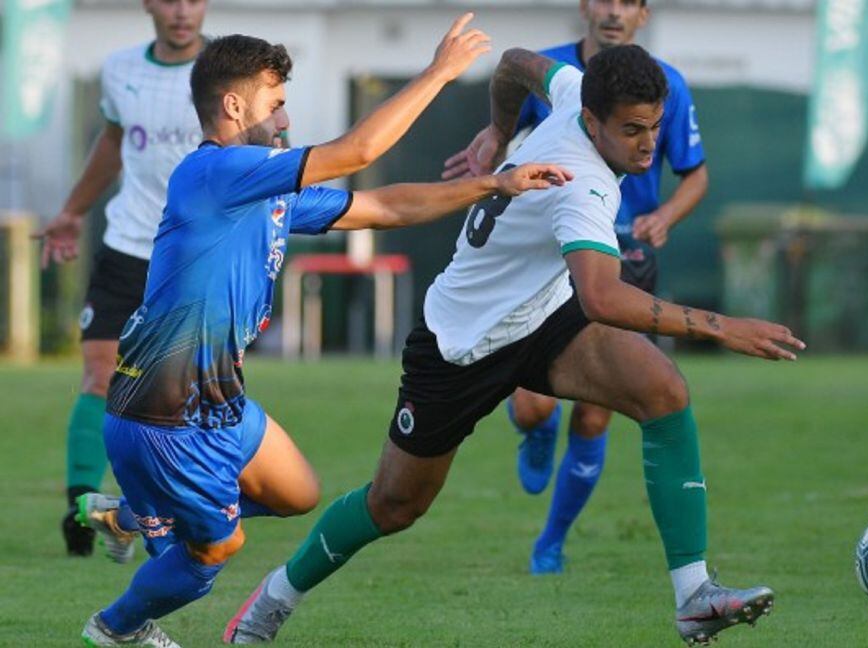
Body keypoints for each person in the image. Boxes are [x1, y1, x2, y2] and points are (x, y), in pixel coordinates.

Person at [226, 44, 803, 645]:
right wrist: (724, 327)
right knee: (394, 506)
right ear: (591, 119)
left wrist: (499, 130)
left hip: (542, 318)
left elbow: (514, 62)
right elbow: (605, 299)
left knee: (664, 391)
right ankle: (272, 600)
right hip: (460, 345)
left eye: (654, 127)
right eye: (631, 131)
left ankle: (694, 596)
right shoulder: (584, 189)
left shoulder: (573, 87)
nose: (647, 145)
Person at [80, 19, 571, 647]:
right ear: (233, 106)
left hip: (218, 405)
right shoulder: (215, 174)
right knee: (217, 549)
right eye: (275, 104)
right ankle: (118, 627)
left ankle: (127, 514)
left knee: (298, 493)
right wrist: (439, 73)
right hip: (167, 414)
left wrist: (492, 184)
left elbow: (386, 207)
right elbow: (359, 152)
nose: (284, 121)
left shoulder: (266, 193)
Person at [447, 0, 709, 576]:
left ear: (644, 13)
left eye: (629, 2)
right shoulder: (564, 77)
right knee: (534, 407)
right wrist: (491, 141)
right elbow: (510, 108)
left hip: (623, 262)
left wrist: (667, 215)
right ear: (585, 6)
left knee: (594, 417)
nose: (614, 12)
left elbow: (695, 173)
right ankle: (535, 431)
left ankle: (552, 541)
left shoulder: (667, 85)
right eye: (605, 0)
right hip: (549, 257)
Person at [34, 0, 208, 560]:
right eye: (169, 0)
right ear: (148, 5)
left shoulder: (228, 71)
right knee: (99, 374)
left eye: (193, 0)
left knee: (180, 398)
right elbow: (113, 141)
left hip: (192, 256)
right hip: (126, 247)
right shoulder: (120, 68)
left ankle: (144, 515)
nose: (182, 12)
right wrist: (74, 209)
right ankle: (83, 509)